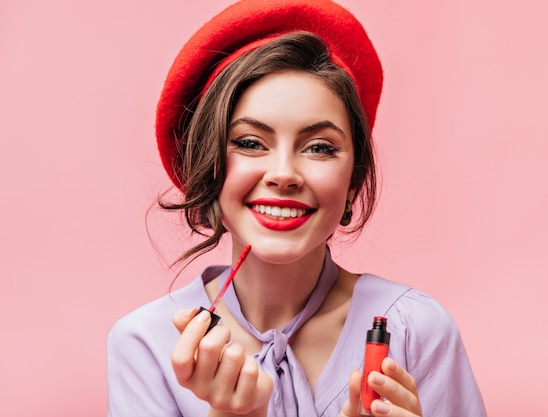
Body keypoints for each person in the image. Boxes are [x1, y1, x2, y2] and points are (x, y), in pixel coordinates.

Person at [106, 1, 487, 416]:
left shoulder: (415, 331)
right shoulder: (146, 345)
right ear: (207, 167)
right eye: (250, 143)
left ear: (354, 179)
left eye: (319, 147)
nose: (284, 174)